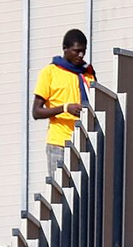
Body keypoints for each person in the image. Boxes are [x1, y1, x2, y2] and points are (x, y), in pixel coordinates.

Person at [32, 29, 96, 179]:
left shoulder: (88, 73)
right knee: (61, 194)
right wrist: (65, 108)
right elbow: (36, 112)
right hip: (59, 143)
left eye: (83, 51)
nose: (80, 55)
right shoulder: (50, 72)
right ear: (65, 49)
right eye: (76, 51)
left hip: (85, 143)